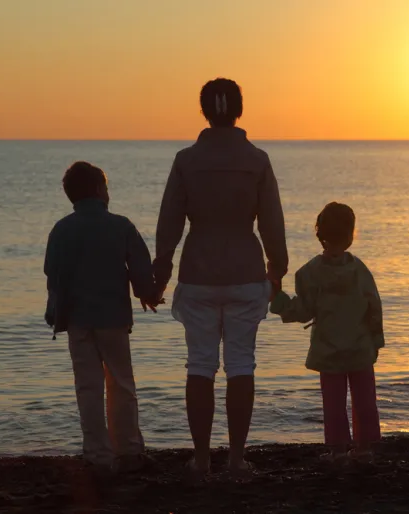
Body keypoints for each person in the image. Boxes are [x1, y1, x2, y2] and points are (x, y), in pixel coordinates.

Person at [154, 78, 288, 475]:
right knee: (241, 365)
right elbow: (272, 224)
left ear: (204, 112)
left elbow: (169, 223)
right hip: (246, 272)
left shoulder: (186, 160)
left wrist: (161, 271)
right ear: (239, 110)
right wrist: (276, 270)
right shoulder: (257, 160)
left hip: (198, 273)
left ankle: (199, 459)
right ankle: (235, 458)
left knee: (200, 365)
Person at [44, 161, 160, 476]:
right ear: (99, 190)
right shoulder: (121, 226)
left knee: (88, 387)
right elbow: (139, 269)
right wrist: (148, 294)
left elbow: (52, 276)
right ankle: (129, 451)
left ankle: (97, 454)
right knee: (121, 384)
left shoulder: (61, 229)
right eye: (106, 187)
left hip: (77, 321)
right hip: (113, 319)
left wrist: (54, 312)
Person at [270, 202, 384, 461]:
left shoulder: (310, 273)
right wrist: (376, 341)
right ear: (351, 235)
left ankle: (337, 449)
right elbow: (374, 306)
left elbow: (302, 311)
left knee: (333, 403)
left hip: (328, 350)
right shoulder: (360, 270)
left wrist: (277, 299)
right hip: (360, 348)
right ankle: (365, 447)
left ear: (320, 234)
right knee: (365, 401)